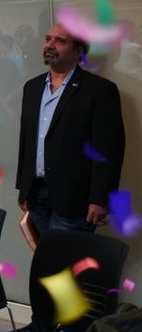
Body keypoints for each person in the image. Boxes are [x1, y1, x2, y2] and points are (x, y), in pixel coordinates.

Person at [15, 24, 125, 236]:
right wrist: (23, 188)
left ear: (78, 52)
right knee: (45, 254)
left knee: (67, 256)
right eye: (48, 39)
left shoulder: (100, 90)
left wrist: (100, 198)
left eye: (60, 41)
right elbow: (26, 140)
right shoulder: (32, 87)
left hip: (75, 199)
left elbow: (108, 149)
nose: (50, 45)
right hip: (36, 195)